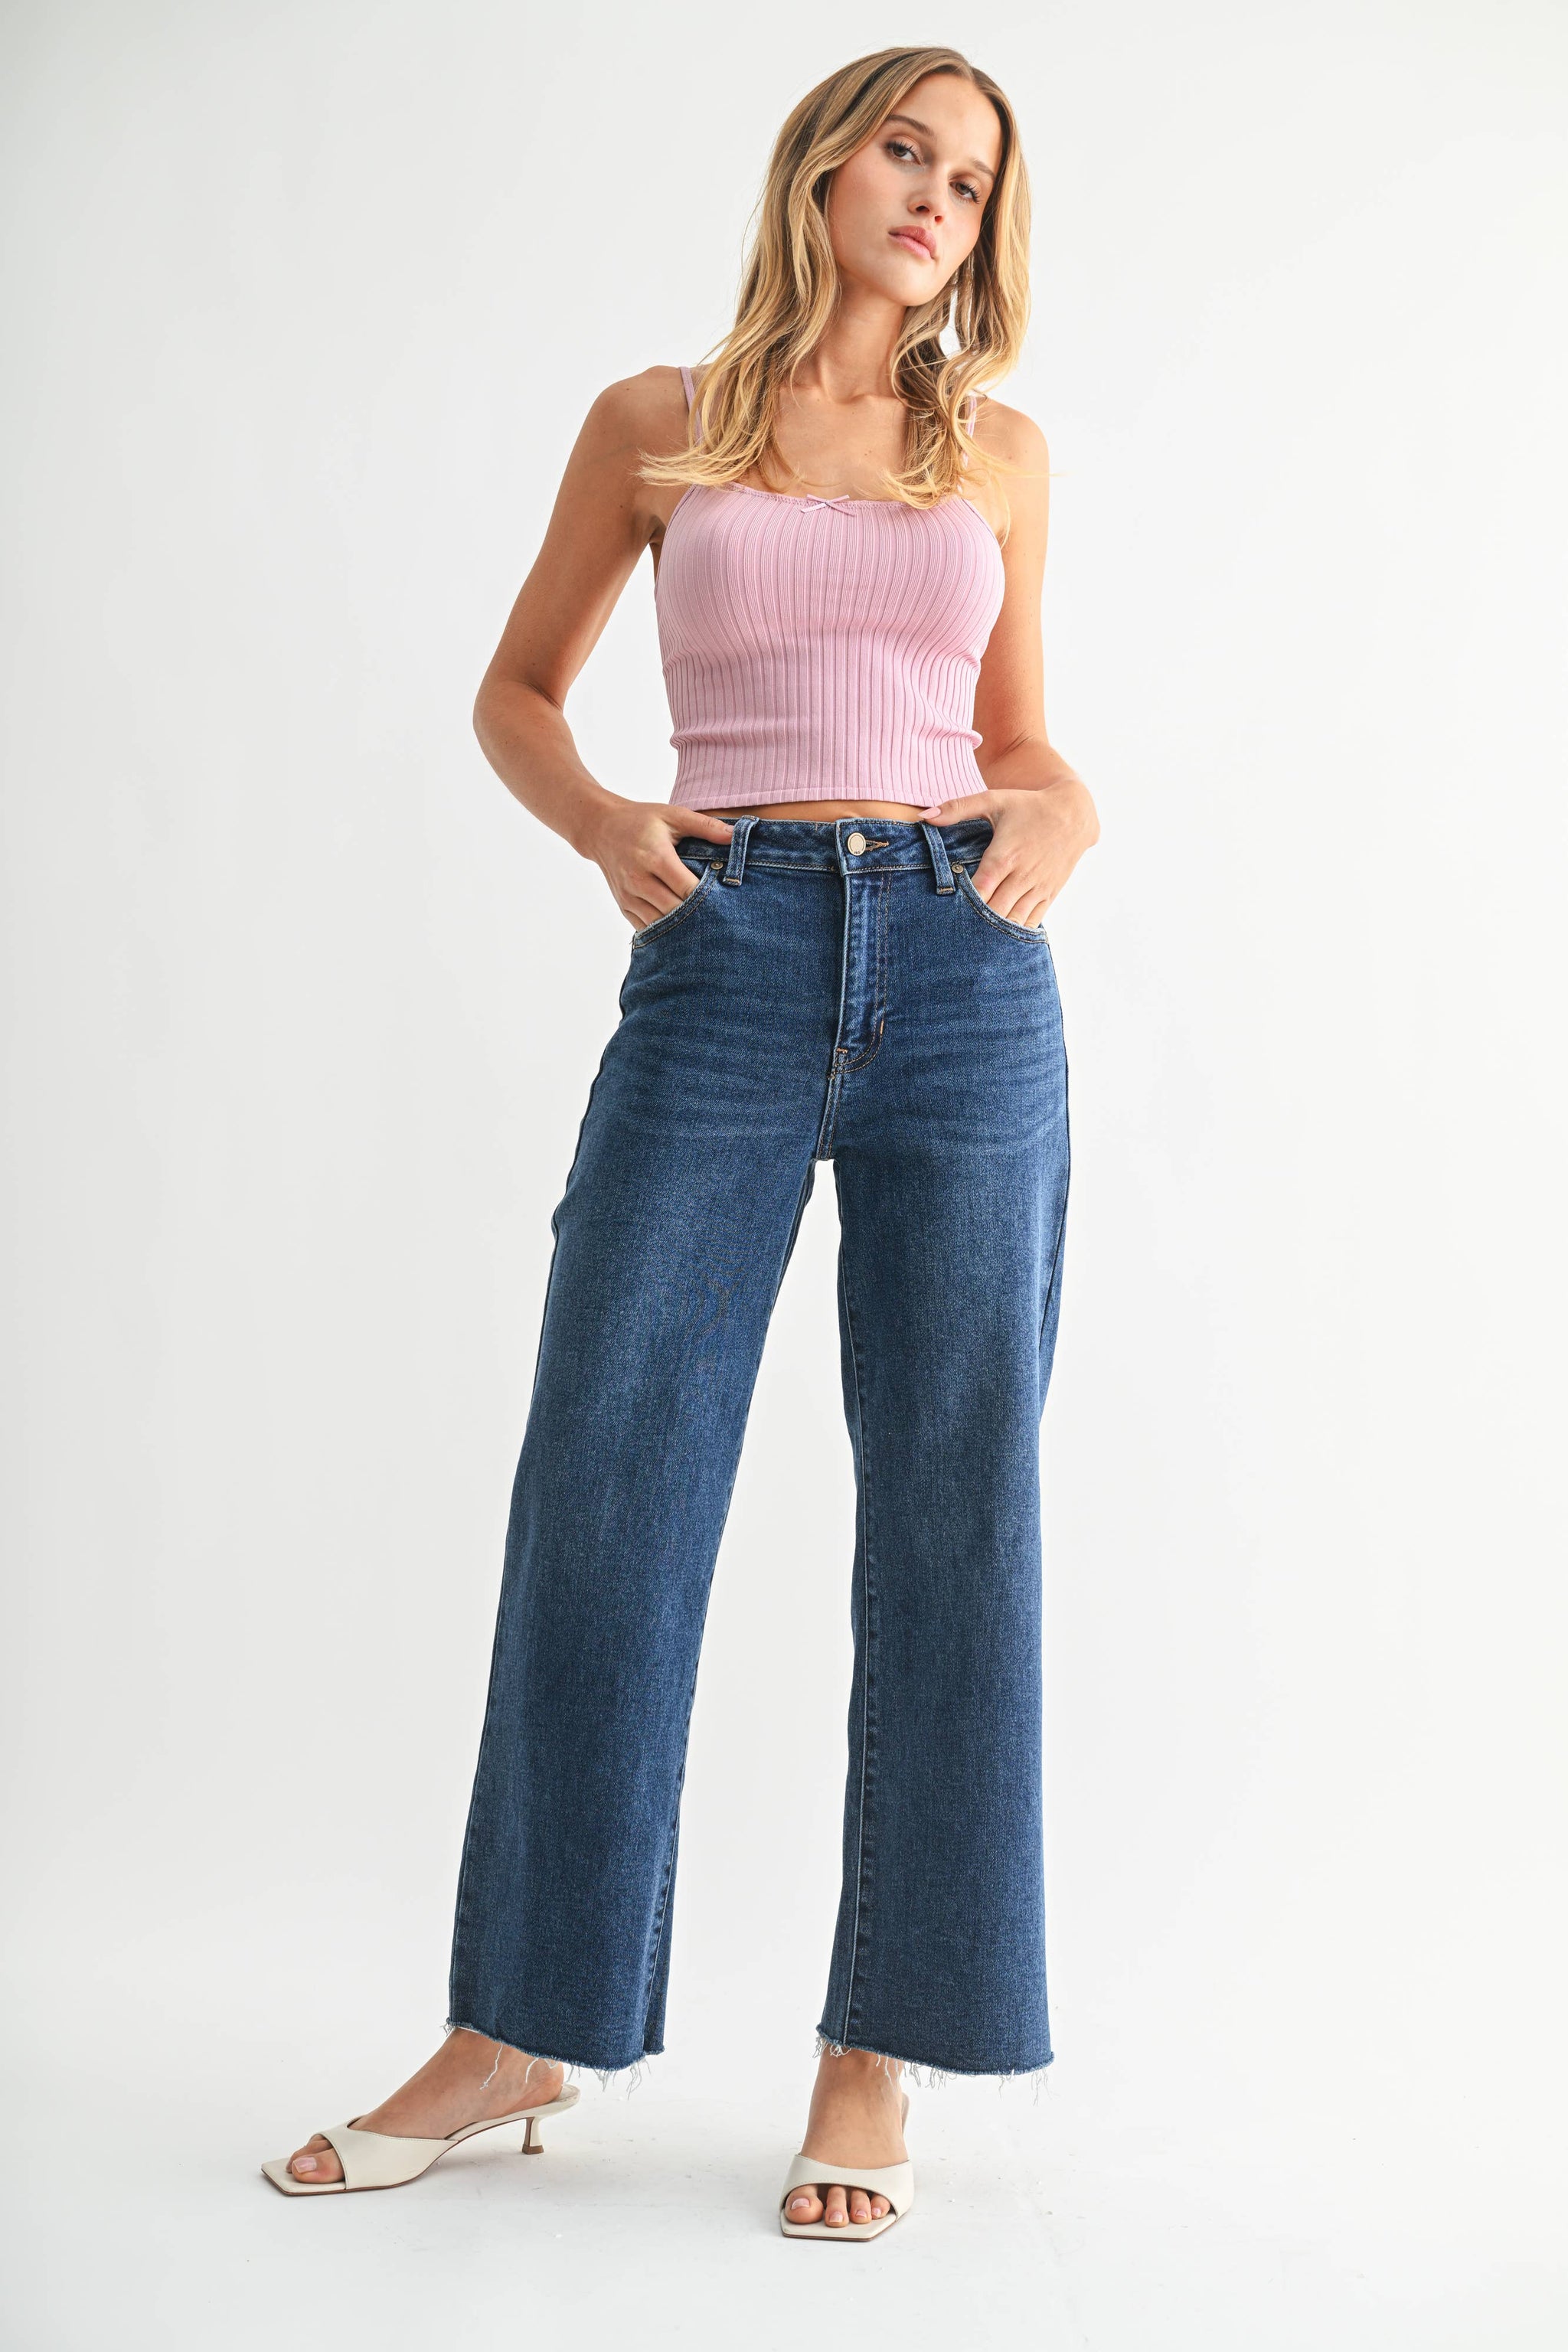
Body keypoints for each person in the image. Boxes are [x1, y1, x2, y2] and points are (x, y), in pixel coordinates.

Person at [263, 43, 1099, 2239]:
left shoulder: (996, 453)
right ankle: (525, 2024)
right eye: (905, 149)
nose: (934, 196)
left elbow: (1022, 740)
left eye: (970, 179)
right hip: (723, 956)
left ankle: (878, 2049)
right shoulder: (661, 422)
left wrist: (1072, 807)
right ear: (823, 163)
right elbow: (516, 691)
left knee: (957, 1505)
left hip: (964, 968)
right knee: (612, 1473)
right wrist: (605, 826)